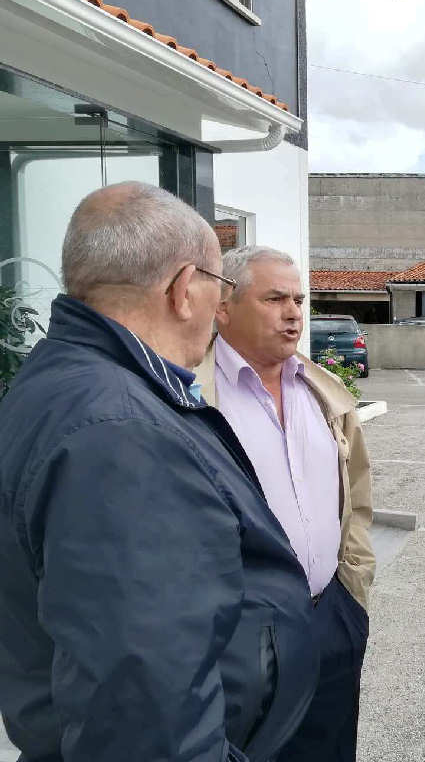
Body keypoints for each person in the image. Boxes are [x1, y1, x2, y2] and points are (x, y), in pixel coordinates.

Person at [0, 183, 318, 761]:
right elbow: (145, 713)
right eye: (218, 285)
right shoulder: (121, 431)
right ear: (183, 288)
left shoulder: (69, 381)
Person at [194, 245, 375, 762]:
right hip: (243, 637)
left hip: (331, 616)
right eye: (274, 299)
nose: (294, 313)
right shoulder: (194, 397)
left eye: (298, 300)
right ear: (223, 307)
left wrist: (353, 588)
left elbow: (357, 493)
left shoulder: (322, 391)